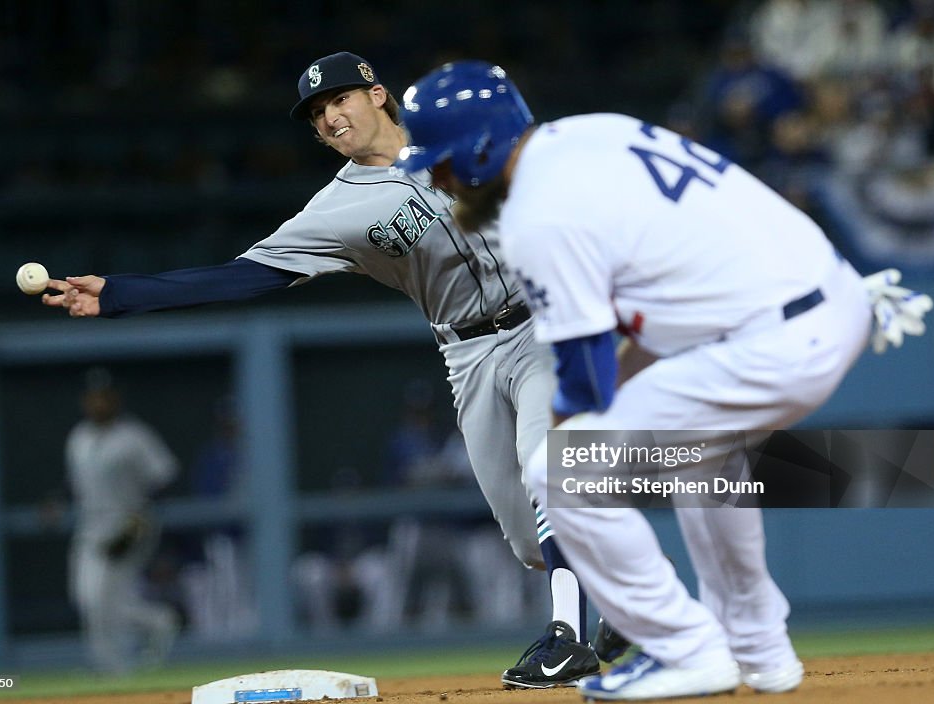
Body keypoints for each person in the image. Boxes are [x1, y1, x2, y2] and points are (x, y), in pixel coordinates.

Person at [40, 51, 598, 687]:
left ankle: (567, 636)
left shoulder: (453, 129)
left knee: (546, 467)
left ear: (378, 94)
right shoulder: (334, 210)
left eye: (339, 100)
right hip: (466, 350)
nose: (330, 118)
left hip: (540, 324)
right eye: (316, 115)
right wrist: (116, 295)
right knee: (530, 542)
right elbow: (240, 277)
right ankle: (617, 601)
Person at [392, 61, 932, 700]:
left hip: (769, 340)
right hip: (826, 296)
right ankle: (758, 649)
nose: (439, 178)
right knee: (699, 460)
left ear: (482, 147)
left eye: (444, 162)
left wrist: (564, 443)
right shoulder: (593, 133)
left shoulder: (541, 217)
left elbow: (586, 382)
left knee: (559, 471)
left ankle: (686, 649)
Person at [66, 367, 181, 674]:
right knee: (87, 599)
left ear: (115, 399)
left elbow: (165, 477)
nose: (98, 403)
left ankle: (111, 670)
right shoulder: (78, 438)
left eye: (104, 397)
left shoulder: (134, 436)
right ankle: (159, 621)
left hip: (127, 526)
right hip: (89, 529)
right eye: (93, 397)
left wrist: (142, 517)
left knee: (101, 600)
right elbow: (78, 488)